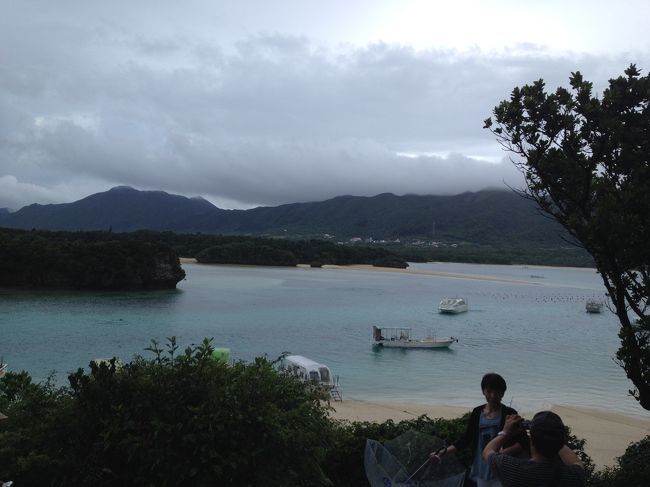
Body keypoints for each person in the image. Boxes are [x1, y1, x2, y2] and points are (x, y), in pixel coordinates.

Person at [430, 373, 523, 487]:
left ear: (503, 393)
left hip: (501, 468)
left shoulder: (509, 413)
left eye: (497, 392)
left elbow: (522, 442)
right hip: (481, 467)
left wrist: (502, 453)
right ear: (483, 391)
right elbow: (466, 439)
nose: (493, 396)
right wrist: (442, 452)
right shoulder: (477, 412)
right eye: (489, 391)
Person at [482, 411, 585, 486]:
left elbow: (487, 451)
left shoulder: (510, 468)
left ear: (532, 441)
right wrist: (554, 436)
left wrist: (505, 432)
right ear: (561, 441)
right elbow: (576, 462)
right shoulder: (573, 475)